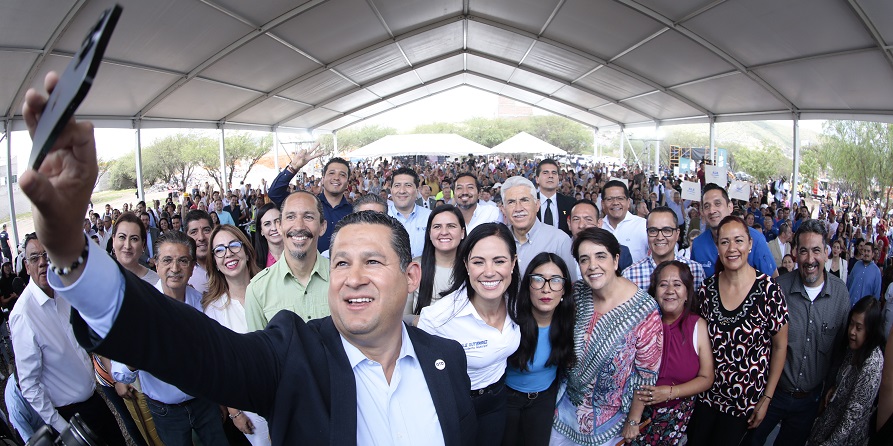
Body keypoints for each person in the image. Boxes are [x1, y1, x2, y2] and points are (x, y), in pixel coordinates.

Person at [21, 76, 476, 445]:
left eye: (372, 262)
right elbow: (193, 346)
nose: (353, 278)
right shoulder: (294, 357)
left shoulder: (449, 360)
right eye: (339, 263)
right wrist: (72, 253)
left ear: (411, 274)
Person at [111, 231, 229, 446]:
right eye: (167, 260)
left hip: (205, 401)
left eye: (183, 261)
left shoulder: (203, 305)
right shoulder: (138, 310)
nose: (175, 269)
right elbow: (119, 373)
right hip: (165, 411)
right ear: (155, 264)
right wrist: (134, 356)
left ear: (193, 267)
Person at [9, 232, 126, 445]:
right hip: (69, 416)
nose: (43, 262)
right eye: (35, 258)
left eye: (47, 255)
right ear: (27, 266)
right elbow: (29, 385)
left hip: (93, 400)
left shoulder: (63, 292)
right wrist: (63, 427)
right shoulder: (23, 314)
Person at [551, 228, 663, 446]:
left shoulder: (645, 311)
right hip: (563, 413)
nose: (592, 265)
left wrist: (634, 420)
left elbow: (646, 375)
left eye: (600, 256)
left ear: (616, 259)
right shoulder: (577, 293)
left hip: (609, 424)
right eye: (584, 259)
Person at [745, 219, 850, 446]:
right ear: (795, 252)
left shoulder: (841, 295)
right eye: (804, 251)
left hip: (809, 402)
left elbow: (840, 351)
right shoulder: (778, 289)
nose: (810, 259)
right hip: (770, 395)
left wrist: (828, 391)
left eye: (816, 251)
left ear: (826, 252)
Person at [687, 216, 789, 445]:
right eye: (724, 242)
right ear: (717, 247)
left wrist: (767, 397)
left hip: (744, 406)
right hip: (706, 398)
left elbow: (780, 345)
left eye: (739, 241)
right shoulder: (706, 289)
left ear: (750, 244)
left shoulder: (769, 291)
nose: (732, 249)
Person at [417, 223, 522, 446]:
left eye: (500, 261)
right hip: (459, 407)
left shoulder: (517, 302)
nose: (490, 271)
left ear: (513, 263)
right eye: (478, 262)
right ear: (465, 265)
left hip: (498, 399)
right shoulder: (439, 318)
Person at [630, 261, 714, 445]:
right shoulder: (643, 324)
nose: (669, 290)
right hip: (635, 418)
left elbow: (707, 378)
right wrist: (633, 420)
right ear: (655, 291)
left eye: (677, 284)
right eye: (663, 284)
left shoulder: (697, 326)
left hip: (675, 419)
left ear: (687, 292)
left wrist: (670, 392)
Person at [202, 225, 271, 446]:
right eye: (219, 250)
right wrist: (234, 411)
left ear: (246, 250)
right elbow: (221, 368)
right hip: (251, 407)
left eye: (233, 245)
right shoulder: (214, 310)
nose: (228, 253)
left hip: (291, 393)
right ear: (215, 262)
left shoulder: (271, 287)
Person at [502, 252, 575, 446]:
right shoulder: (510, 322)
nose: (546, 289)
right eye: (538, 280)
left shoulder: (569, 324)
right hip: (507, 399)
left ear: (564, 290)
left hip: (543, 401)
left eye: (555, 281)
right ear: (528, 286)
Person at [245, 191, 330, 331]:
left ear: (322, 227)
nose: (298, 226)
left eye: (308, 217)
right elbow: (259, 352)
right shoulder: (258, 290)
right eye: (290, 217)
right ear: (279, 226)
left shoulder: (343, 279)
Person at [808, 296, 884, 446]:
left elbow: (852, 417)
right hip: (827, 425)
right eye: (851, 324)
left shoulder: (872, 364)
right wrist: (835, 389)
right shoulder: (854, 348)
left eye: (859, 328)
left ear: (871, 330)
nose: (852, 332)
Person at [268, 145, 351, 253]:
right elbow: (275, 193)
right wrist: (293, 167)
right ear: (323, 178)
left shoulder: (354, 212)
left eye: (342, 175)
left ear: (347, 182)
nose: (336, 177)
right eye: (331, 173)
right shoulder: (308, 206)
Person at [501, 176, 578, 282]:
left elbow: (570, 286)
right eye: (511, 202)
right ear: (503, 210)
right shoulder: (498, 240)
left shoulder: (559, 241)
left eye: (524, 200)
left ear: (537, 205)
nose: (518, 208)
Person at [691, 184, 778, 278]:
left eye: (717, 204)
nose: (712, 210)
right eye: (707, 206)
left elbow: (773, 278)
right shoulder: (698, 244)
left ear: (730, 207)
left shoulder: (755, 238)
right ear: (703, 211)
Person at [622, 206, 706, 292]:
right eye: (653, 231)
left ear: (677, 234)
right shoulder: (630, 275)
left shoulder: (695, 270)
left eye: (667, 230)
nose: (660, 237)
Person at [406, 205, 466, 317]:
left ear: (462, 232)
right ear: (429, 233)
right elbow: (403, 317)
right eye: (437, 227)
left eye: (451, 226)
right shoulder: (414, 268)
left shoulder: (473, 268)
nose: (444, 232)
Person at [567, 199, 633, 272]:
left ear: (599, 223)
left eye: (588, 219)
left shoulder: (621, 252)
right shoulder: (559, 249)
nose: (581, 225)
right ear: (569, 224)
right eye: (576, 219)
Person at [600, 180, 650, 263]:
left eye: (620, 198)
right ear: (602, 203)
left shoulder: (643, 225)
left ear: (628, 202)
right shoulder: (598, 227)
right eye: (609, 199)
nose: (615, 203)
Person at [388, 167, 431, 258]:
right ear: (391, 190)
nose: (402, 191)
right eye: (397, 185)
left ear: (417, 190)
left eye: (408, 185)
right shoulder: (381, 217)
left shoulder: (430, 217)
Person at [535, 159, 574, 236]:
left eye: (554, 173)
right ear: (537, 179)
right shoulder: (530, 203)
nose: (550, 176)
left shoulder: (570, 203)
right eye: (545, 173)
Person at [183, 209, 213, 292]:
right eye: (194, 232)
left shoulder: (227, 263)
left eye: (206, 230)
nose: (201, 237)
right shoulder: (181, 273)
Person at [252, 202, 283, 269]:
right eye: (267, 224)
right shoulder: (256, 263)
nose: (274, 228)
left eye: (278, 221)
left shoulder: (299, 253)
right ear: (261, 231)